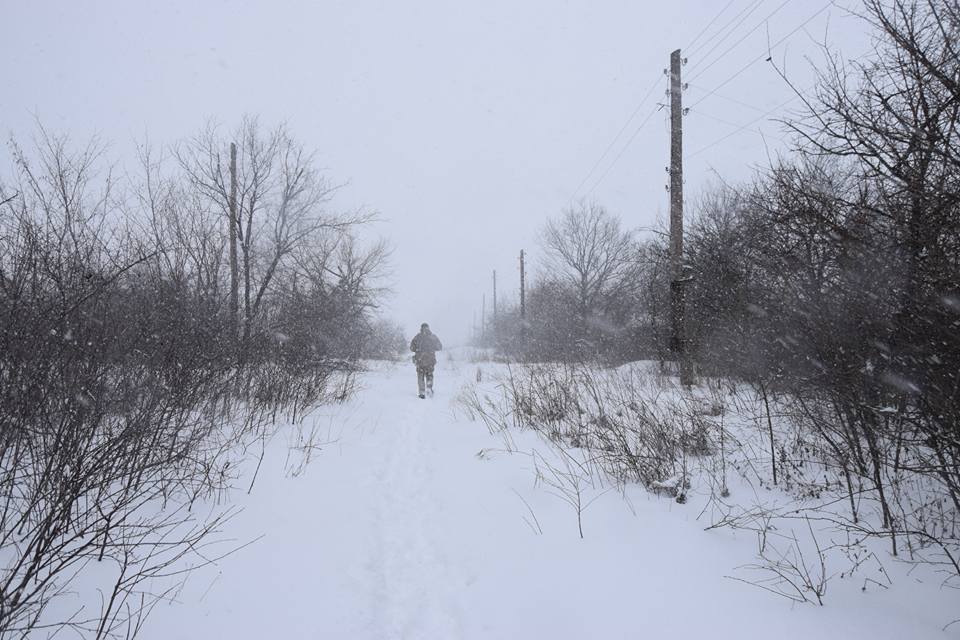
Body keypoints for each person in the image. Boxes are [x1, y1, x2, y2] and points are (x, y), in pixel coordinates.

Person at [410, 323, 442, 399]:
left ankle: (421, 392)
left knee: (420, 376)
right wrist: (432, 348)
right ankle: (429, 389)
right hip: (430, 360)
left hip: (420, 360)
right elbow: (439, 347)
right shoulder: (433, 337)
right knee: (429, 375)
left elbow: (411, 348)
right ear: (428, 328)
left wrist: (418, 350)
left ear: (421, 328)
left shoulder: (417, 337)